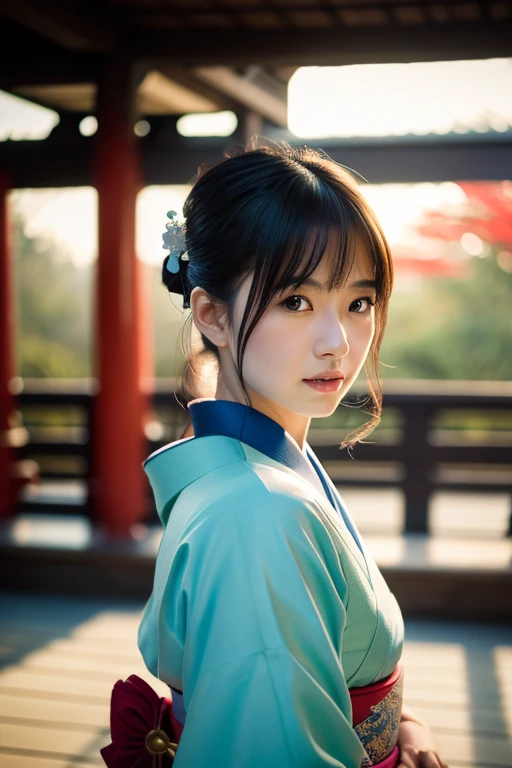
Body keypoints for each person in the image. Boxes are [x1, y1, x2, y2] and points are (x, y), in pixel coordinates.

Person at [101, 139, 448, 768]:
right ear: (212, 313)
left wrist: (403, 728)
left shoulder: (263, 470)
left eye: (359, 302)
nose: (338, 342)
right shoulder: (258, 511)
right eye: (297, 301)